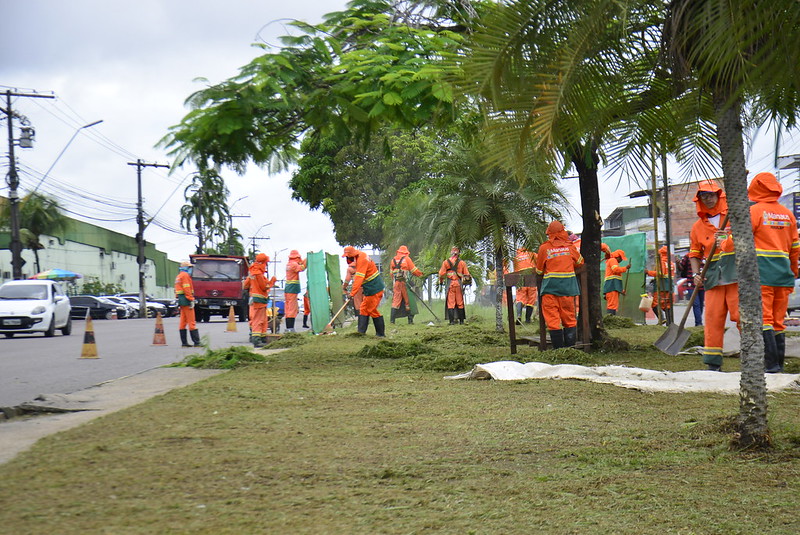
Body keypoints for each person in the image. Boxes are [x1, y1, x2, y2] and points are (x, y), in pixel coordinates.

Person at [748, 172, 800, 373]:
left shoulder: (755, 212)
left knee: (765, 320)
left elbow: (738, 241)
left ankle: (771, 365)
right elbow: (795, 247)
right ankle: (777, 363)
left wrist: (723, 243)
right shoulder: (788, 214)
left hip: (762, 274)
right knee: (778, 322)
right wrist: (793, 271)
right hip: (783, 275)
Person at [689, 180, 738, 371]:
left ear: (719, 195)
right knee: (713, 319)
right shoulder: (697, 227)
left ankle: (754, 355)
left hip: (735, 273)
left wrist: (728, 239)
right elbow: (695, 253)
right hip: (713, 277)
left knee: (741, 315)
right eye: (704, 196)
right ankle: (713, 363)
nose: (708, 199)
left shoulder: (734, 216)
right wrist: (696, 274)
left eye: (711, 195)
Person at [535, 221, 584, 348]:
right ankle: (570, 348)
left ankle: (558, 349)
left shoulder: (544, 248)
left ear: (549, 234)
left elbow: (539, 270)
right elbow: (580, 262)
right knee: (569, 318)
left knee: (552, 319)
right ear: (562, 232)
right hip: (568, 289)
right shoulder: (570, 247)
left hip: (550, 290)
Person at [343, 246, 386, 336]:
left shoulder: (362, 260)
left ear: (351, 256)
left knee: (371, 309)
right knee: (363, 309)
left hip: (374, 288)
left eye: (347, 257)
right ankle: (361, 333)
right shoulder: (361, 256)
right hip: (370, 288)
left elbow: (359, 278)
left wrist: (352, 293)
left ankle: (380, 334)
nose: (347, 259)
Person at [242, 253, 277, 347]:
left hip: (253, 299)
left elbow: (245, 285)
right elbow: (264, 287)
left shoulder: (252, 273)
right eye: (266, 263)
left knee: (261, 320)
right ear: (263, 262)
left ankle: (261, 338)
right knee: (258, 320)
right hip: (259, 300)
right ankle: (257, 340)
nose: (266, 265)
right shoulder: (258, 274)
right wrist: (272, 281)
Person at [389, 245, 424, 324]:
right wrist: (422, 275)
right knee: (409, 301)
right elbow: (414, 270)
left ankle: (392, 321)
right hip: (405, 283)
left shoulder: (393, 260)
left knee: (396, 301)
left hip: (396, 283)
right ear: (406, 252)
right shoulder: (407, 259)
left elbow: (391, 274)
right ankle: (410, 320)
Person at [438, 247, 472, 324]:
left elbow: (441, 274)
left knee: (451, 303)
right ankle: (461, 321)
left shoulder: (446, 262)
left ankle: (451, 321)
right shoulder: (462, 263)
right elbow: (467, 274)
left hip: (450, 284)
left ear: (451, 252)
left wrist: (441, 282)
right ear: (458, 253)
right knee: (460, 302)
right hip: (458, 284)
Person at [174, 260, 201, 347]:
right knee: (191, 321)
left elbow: (177, 290)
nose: (191, 269)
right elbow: (187, 288)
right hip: (186, 300)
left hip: (181, 300)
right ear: (186, 268)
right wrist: (191, 299)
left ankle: (184, 343)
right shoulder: (185, 276)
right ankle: (197, 342)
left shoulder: (179, 276)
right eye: (189, 267)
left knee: (183, 321)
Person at [646, 245, 675, 324]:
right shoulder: (671, 263)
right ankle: (669, 323)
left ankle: (661, 318)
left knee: (655, 303)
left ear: (660, 254)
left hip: (661, 286)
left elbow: (660, 273)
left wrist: (648, 272)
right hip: (669, 287)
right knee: (667, 305)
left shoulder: (661, 262)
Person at [677, 252, 704, 326]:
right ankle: (698, 323)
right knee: (696, 304)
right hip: (691, 284)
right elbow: (682, 267)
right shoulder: (688, 256)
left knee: (701, 304)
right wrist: (678, 263)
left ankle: (699, 321)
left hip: (702, 284)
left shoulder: (704, 255)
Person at [513, 247, 537, 324]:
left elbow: (515, 270)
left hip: (520, 280)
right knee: (531, 299)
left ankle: (519, 316)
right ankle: (527, 319)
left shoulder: (516, 258)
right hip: (531, 279)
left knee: (520, 298)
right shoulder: (532, 254)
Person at [284, 250, 306, 332]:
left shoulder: (289, 264)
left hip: (288, 288)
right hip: (292, 289)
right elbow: (302, 268)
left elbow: (300, 264)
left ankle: (288, 328)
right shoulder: (294, 264)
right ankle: (290, 328)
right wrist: (307, 260)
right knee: (292, 309)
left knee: (288, 308)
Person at [603, 247, 629, 316]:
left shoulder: (613, 261)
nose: (621, 261)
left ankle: (612, 319)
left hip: (613, 287)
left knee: (613, 305)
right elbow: (616, 270)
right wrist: (625, 268)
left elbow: (616, 278)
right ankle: (610, 320)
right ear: (618, 257)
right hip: (611, 286)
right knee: (612, 305)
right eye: (621, 259)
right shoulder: (612, 260)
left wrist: (621, 290)